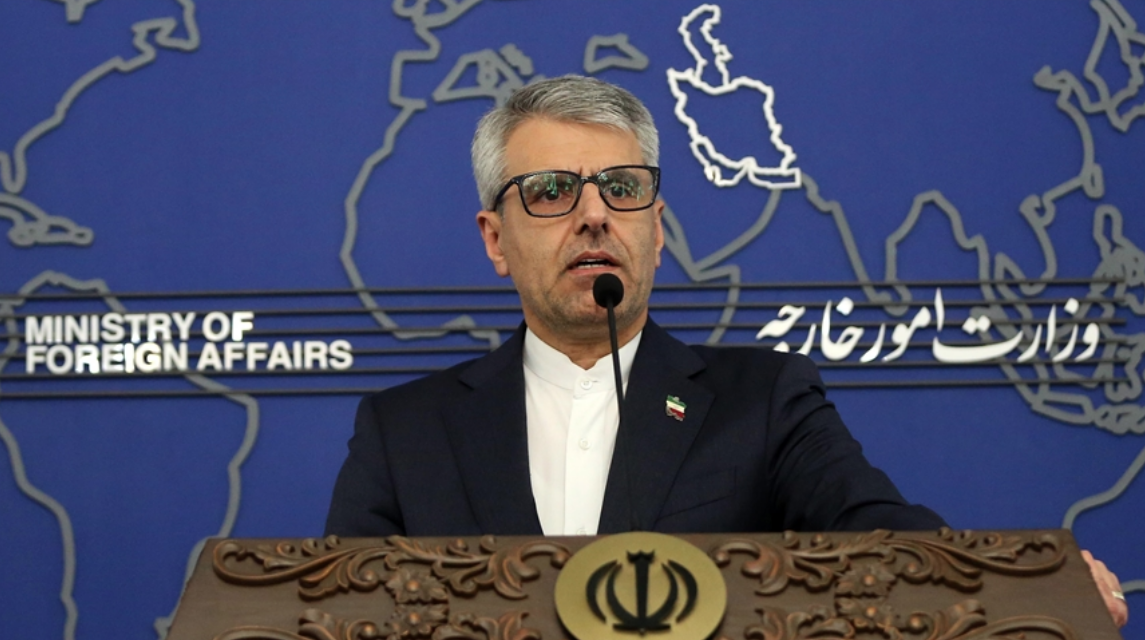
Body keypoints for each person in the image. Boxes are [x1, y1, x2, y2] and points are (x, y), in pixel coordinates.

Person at [325, 75, 1127, 627]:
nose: (594, 214)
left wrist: (1022, 581)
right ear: (495, 239)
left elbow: (877, 529)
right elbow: (335, 614)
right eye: (552, 192)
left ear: (656, 229)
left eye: (622, 187)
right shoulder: (404, 432)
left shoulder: (763, 400)